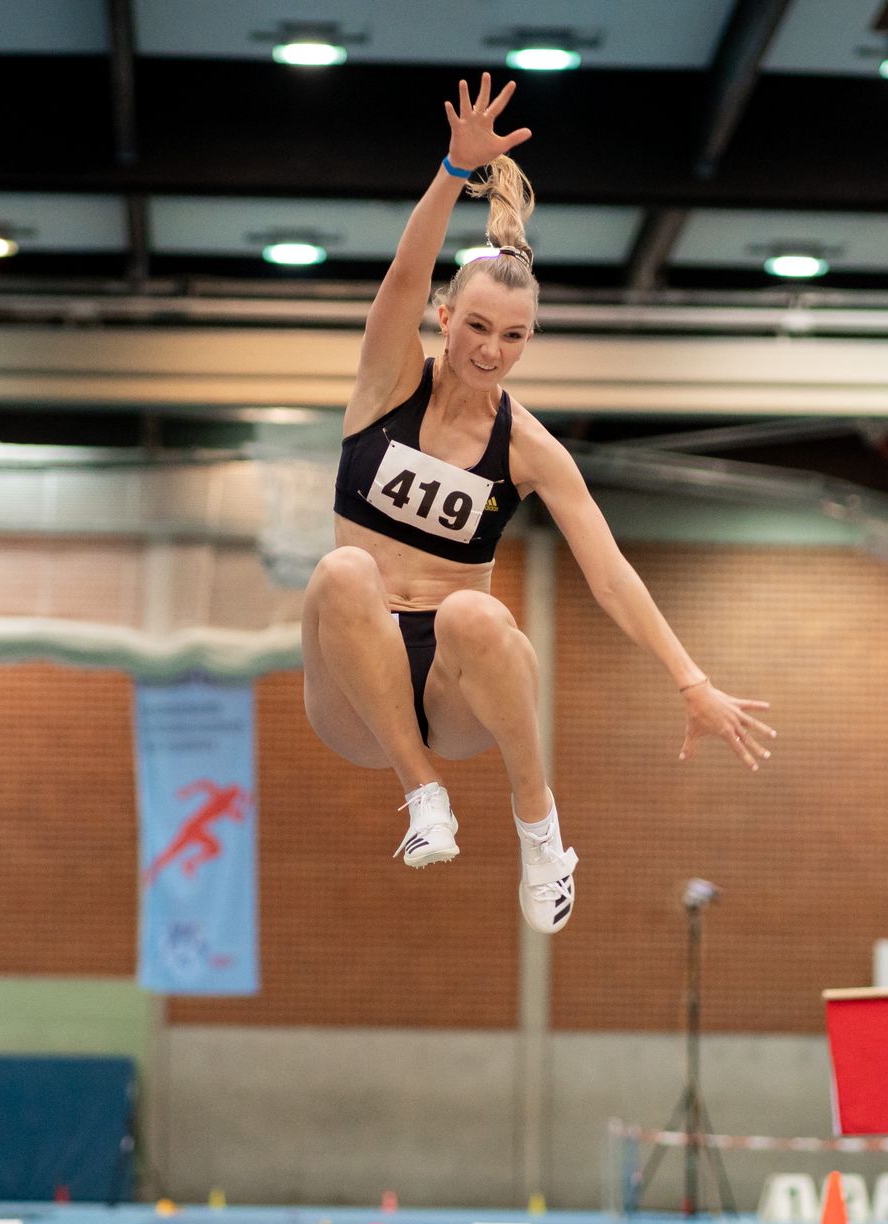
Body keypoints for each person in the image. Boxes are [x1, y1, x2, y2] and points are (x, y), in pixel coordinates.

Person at [305, 73, 773, 933]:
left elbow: (610, 573)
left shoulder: (527, 447)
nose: (491, 350)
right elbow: (404, 272)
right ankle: (423, 795)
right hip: (355, 683)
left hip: (452, 685)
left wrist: (691, 679)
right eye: (477, 327)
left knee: (478, 614)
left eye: (513, 335)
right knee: (342, 570)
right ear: (444, 315)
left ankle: (540, 829)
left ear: (529, 340)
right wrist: (453, 170)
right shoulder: (387, 383)